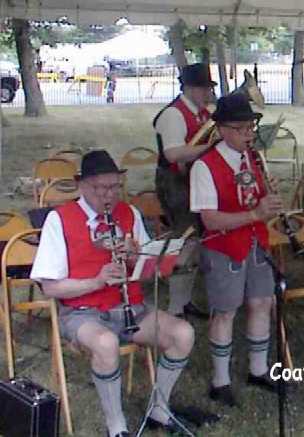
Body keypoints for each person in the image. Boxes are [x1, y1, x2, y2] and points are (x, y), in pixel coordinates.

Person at [30, 150, 195, 437]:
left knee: (183, 333)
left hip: (132, 308)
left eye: (114, 187)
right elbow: (50, 286)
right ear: (81, 185)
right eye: (100, 188)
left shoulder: (128, 213)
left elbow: (148, 270)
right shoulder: (60, 219)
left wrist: (136, 256)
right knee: (106, 343)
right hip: (82, 312)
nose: (109, 196)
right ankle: (117, 427)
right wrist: (96, 281)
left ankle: (159, 409)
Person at [189, 93, 283, 406]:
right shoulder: (204, 166)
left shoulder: (252, 158)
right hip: (224, 246)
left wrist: (268, 199)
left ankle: (258, 369)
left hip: (256, 242)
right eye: (242, 129)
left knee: (261, 302)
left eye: (251, 127)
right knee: (225, 311)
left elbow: (256, 201)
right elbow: (209, 219)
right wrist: (255, 214)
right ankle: (220, 380)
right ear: (223, 130)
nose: (249, 134)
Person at [153, 62, 216, 320]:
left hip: (190, 179)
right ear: (189, 88)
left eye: (208, 88)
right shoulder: (173, 115)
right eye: (203, 88)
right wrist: (210, 147)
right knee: (186, 239)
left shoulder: (200, 113)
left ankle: (183, 301)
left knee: (195, 240)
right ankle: (175, 308)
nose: (207, 93)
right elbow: (173, 153)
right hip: (174, 182)